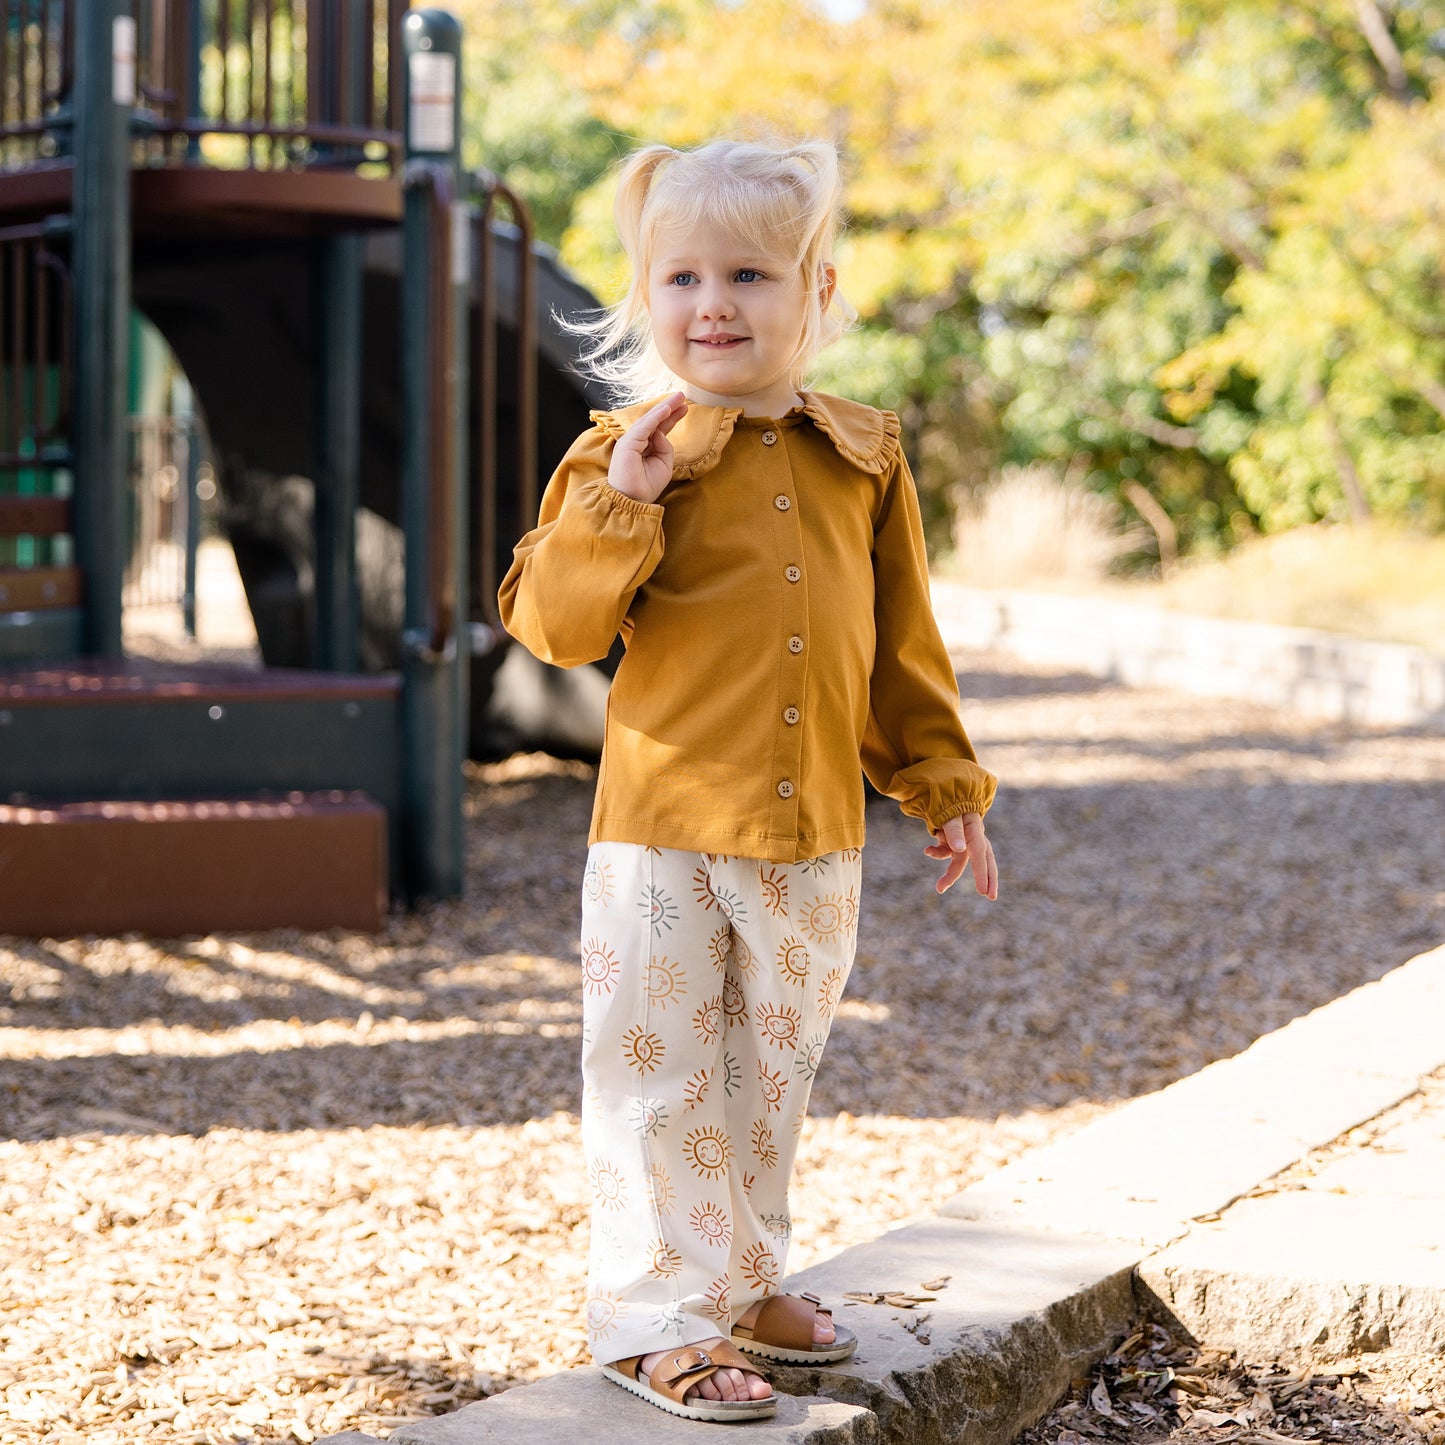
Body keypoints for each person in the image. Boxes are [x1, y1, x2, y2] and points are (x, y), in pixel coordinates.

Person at [499, 137, 999, 1424]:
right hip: (659, 830)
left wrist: (943, 785)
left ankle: (742, 1278)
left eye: (748, 274)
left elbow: (900, 642)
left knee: (773, 1066)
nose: (711, 302)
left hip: (813, 832)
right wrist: (623, 503)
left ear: (816, 293)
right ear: (644, 296)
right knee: (657, 1065)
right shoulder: (623, 453)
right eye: (679, 276)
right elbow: (550, 624)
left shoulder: (863, 455)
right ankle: (655, 1317)